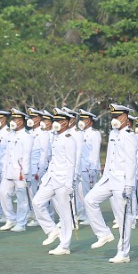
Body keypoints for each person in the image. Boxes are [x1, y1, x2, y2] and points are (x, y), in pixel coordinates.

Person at [84, 104, 138, 260]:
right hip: (109, 178)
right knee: (89, 199)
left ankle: (123, 252)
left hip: (121, 180)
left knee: (122, 218)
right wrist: (104, 175)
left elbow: (131, 162)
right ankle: (104, 233)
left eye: (117, 116)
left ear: (125, 118)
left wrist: (129, 184)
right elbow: (110, 158)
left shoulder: (129, 136)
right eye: (113, 117)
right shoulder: (113, 134)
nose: (114, 120)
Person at [35, 108, 81, 255]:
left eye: (61, 121)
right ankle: (52, 230)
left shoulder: (69, 139)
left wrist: (69, 183)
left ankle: (65, 245)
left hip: (62, 181)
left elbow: (71, 163)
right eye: (56, 120)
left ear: (67, 123)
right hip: (51, 178)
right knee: (37, 202)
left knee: (65, 214)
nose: (58, 123)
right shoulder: (55, 137)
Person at [0, 109, 32, 232]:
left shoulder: (27, 136)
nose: (14, 122)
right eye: (13, 119)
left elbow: (27, 155)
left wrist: (26, 172)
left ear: (22, 122)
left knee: (22, 197)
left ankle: (21, 223)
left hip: (20, 172)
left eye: (17, 120)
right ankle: (10, 218)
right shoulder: (10, 135)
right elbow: (7, 153)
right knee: (2, 192)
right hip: (9, 171)